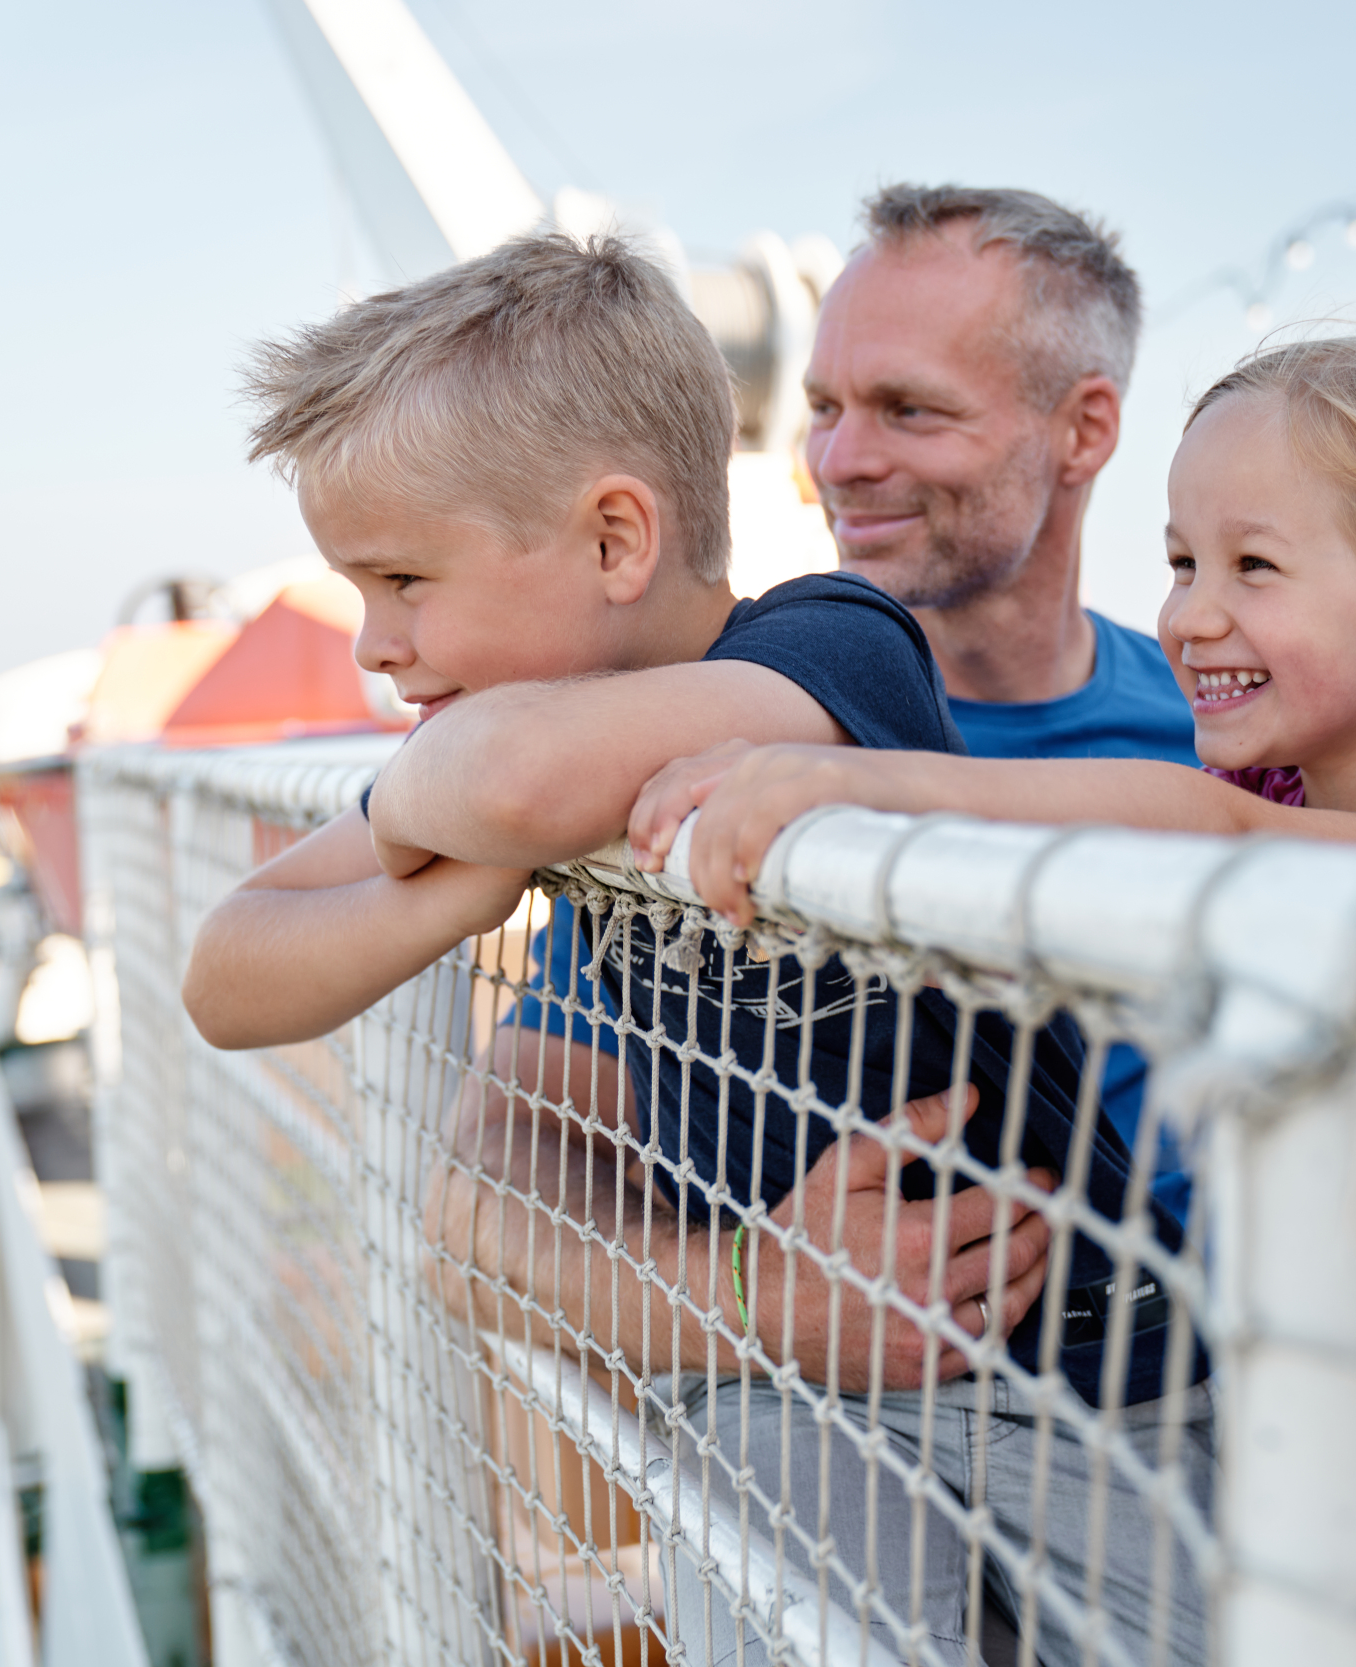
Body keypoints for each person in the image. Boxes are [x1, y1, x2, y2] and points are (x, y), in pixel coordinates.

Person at [179, 233, 1206, 1664]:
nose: (376, 646)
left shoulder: (833, 648)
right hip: (819, 1377)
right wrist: (447, 900)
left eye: (404, 579)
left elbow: (511, 782)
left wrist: (466, 818)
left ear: (617, 538)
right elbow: (226, 974)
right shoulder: (532, 756)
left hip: (1097, 1373)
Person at [636, 334, 1356, 1665]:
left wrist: (881, 778)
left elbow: (1216, 844)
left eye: (1253, 566)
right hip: (1320, 1401)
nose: (1190, 613)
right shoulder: (1267, 797)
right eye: (1183, 560)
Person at [803, 183, 1198, 1217]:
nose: (838, 463)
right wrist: (756, 1295)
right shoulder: (736, 731)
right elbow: (506, 1143)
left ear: (1083, 429)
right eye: (823, 408)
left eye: (909, 408)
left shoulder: (1231, 740)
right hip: (848, 1372)